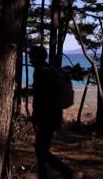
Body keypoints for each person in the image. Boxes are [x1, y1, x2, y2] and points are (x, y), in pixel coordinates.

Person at [30, 46, 82, 179]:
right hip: (54, 115)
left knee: (41, 151)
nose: (30, 59)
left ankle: (69, 173)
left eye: (31, 56)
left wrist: (37, 120)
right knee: (41, 149)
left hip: (46, 118)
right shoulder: (50, 70)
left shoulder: (40, 72)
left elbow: (41, 99)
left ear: (36, 58)